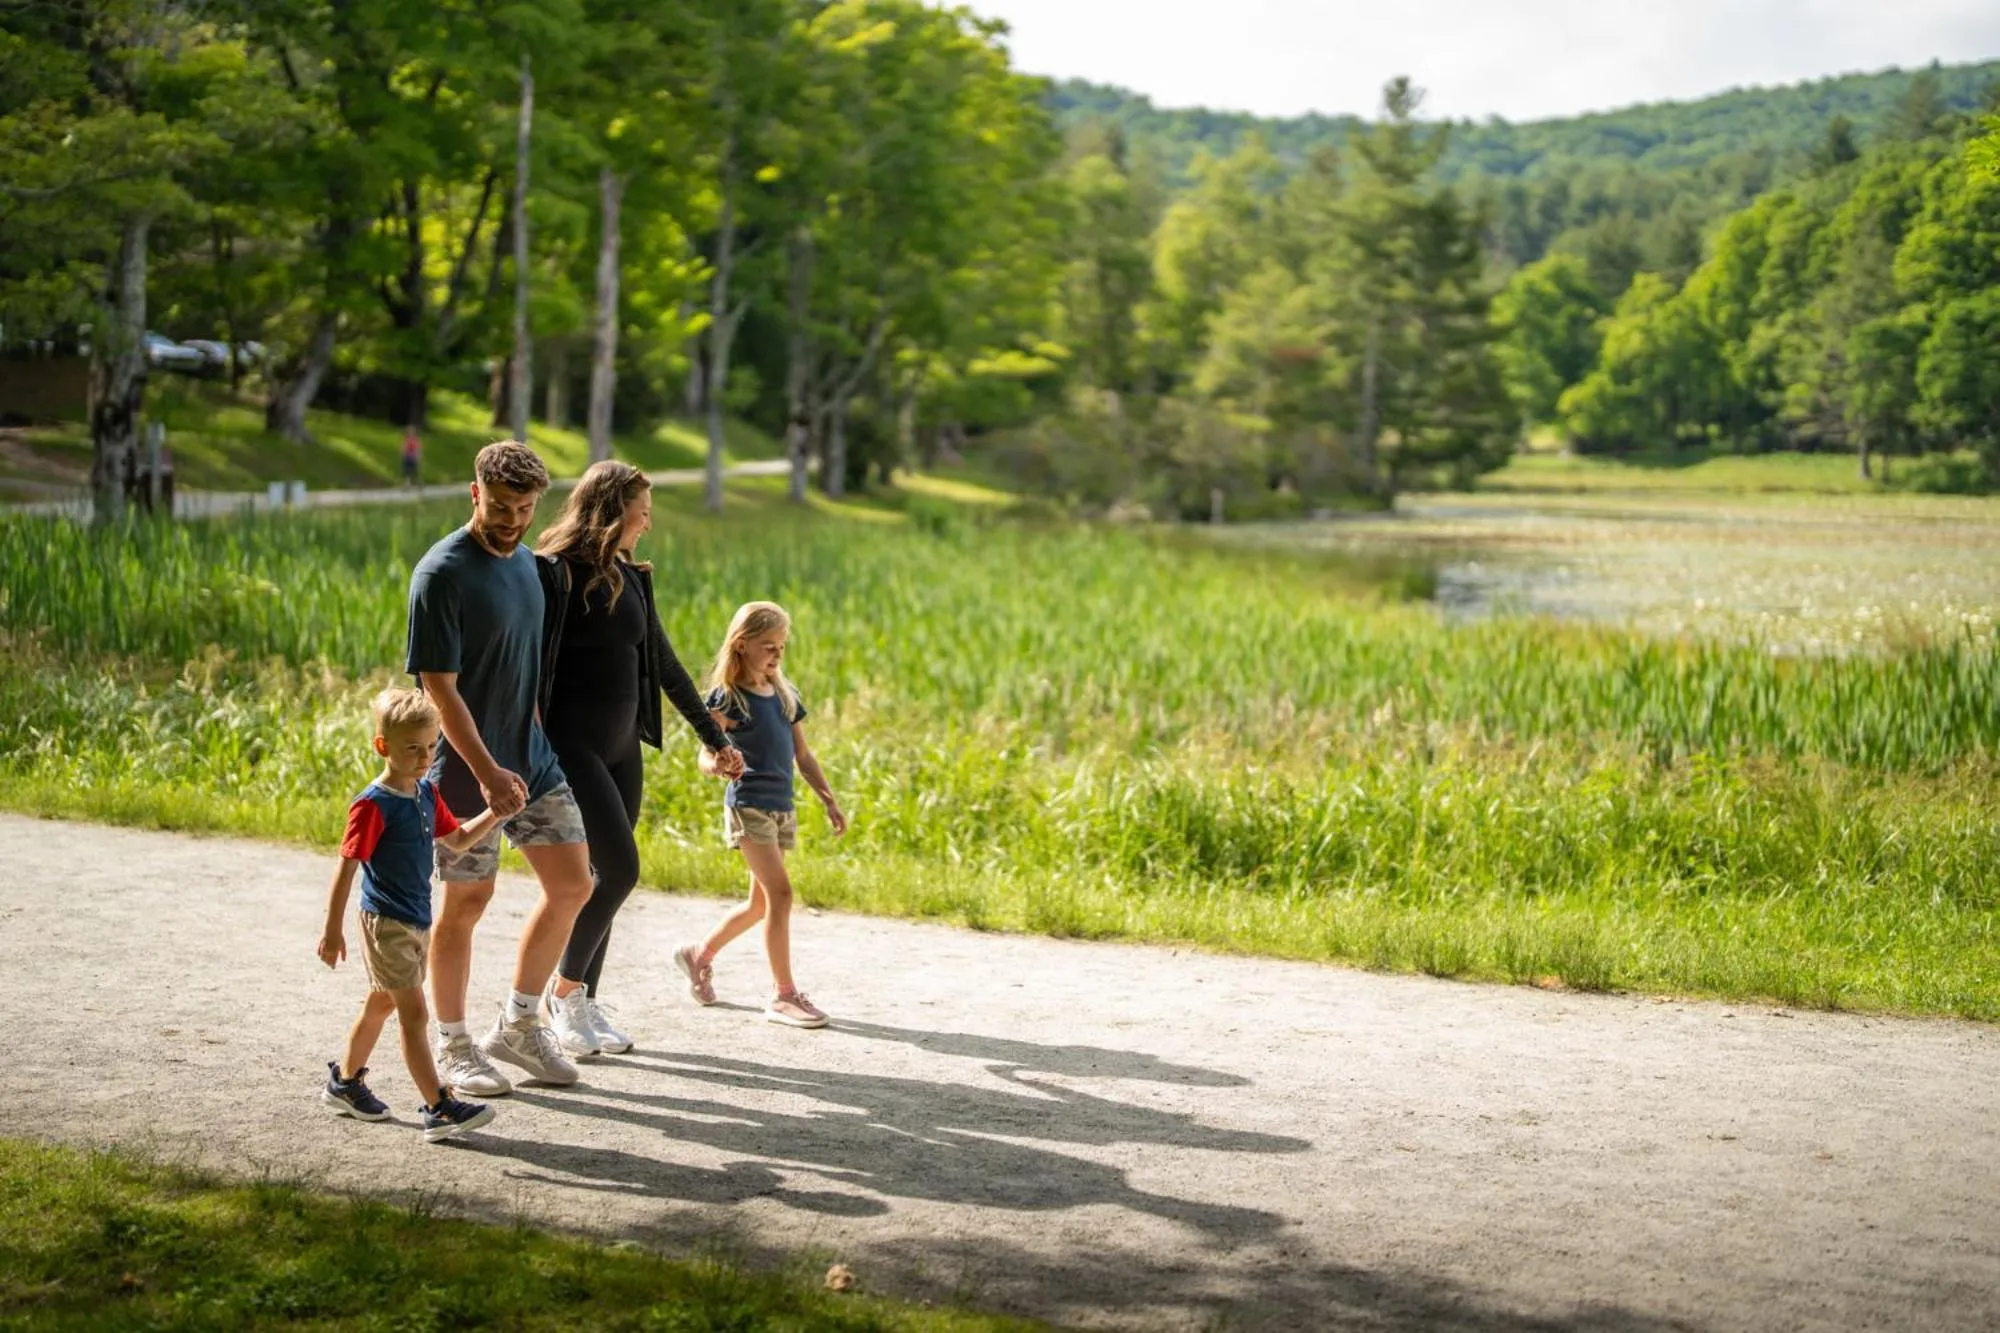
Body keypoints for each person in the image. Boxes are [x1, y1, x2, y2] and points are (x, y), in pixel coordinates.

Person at [533, 461, 744, 1057]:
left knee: (606, 876)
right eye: (641, 512)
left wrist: (713, 737)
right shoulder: (556, 574)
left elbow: (666, 665)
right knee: (620, 871)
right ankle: (563, 992)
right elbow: (526, 659)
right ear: (610, 509)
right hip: (572, 744)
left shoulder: (629, 574)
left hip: (624, 746)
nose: (647, 523)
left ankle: (583, 1002)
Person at [407, 440, 594, 1096]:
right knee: (468, 900)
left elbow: (524, 667)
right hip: (463, 772)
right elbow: (440, 687)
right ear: (474, 492)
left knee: (575, 883)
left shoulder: (528, 568)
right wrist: (486, 772)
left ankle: (518, 1023)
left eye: (525, 507)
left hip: (532, 760)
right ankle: (454, 1043)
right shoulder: (441, 574)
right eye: (501, 505)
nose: (513, 518)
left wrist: (532, 742)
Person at [316, 687, 499, 1142]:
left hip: (418, 920)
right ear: (383, 747)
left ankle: (345, 1082)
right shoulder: (372, 804)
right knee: (414, 1014)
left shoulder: (425, 794)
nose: (423, 757)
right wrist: (332, 930)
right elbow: (346, 868)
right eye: (412, 748)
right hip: (386, 923)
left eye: (432, 746)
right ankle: (438, 1106)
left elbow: (457, 841)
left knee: (381, 1003)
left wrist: (495, 812)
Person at [673, 602, 848, 1028]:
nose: (776, 655)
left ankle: (700, 954)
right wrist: (715, 764)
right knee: (781, 895)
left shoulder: (786, 696)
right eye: (768, 646)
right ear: (741, 645)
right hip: (747, 804)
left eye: (782, 647)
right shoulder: (728, 698)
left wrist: (827, 798)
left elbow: (802, 755)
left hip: (781, 808)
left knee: (759, 905)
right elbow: (704, 752)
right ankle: (783, 995)